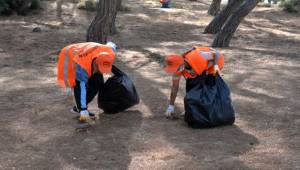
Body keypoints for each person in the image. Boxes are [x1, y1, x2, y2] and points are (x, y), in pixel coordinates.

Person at [57, 42, 117, 123]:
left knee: (98, 82)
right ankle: (81, 110)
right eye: (100, 68)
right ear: (96, 63)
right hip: (69, 55)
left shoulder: (110, 52)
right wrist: (83, 110)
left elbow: (111, 45)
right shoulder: (82, 68)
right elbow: (82, 89)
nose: (101, 71)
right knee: (78, 85)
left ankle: (78, 107)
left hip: (86, 55)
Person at [163, 46, 224, 118]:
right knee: (191, 84)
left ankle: (209, 110)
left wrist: (213, 67)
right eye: (173, 69)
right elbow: (174, 88)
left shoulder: (198, 56)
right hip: (196, 67)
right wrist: (171, 106)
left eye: (175, 68)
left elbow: (217, 54)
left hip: (216, 61)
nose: (175, 71)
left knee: (208, 87)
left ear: (182, 64)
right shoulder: (178, 70)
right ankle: (191, 108)